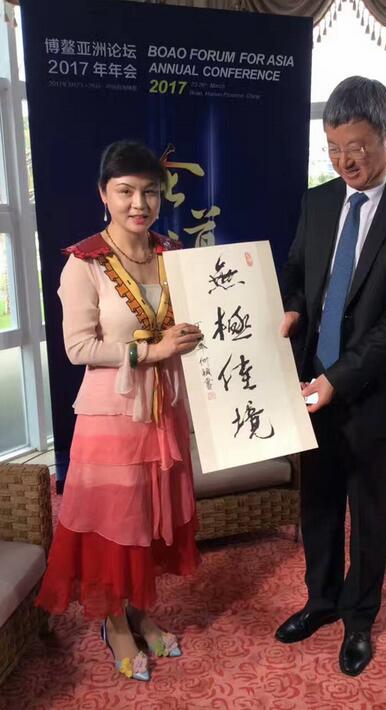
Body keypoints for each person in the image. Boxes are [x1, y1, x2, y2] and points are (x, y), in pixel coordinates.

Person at [276, 77, 386, 676]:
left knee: (368, 512)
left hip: (373, 391)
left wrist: (340, 379)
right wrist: (292, 308)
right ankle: (320, 601)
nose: (344, 161)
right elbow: (298, 272)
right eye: (333, 148)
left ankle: (359, 620)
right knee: (318, 502)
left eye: (357, 148)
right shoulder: (319, 202)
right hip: (312, 383)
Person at [36, 140, 203, 682]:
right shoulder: (84, 263)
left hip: (164, 412)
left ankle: (141, 612)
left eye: (150, 192)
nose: (139, 203)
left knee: (150, 517)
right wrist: (151, 352)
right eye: (126, 191)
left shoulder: (173, 253)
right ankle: (114, 624)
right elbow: (78, 348)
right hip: (111, 416)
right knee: (116, 521)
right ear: (103, 194)